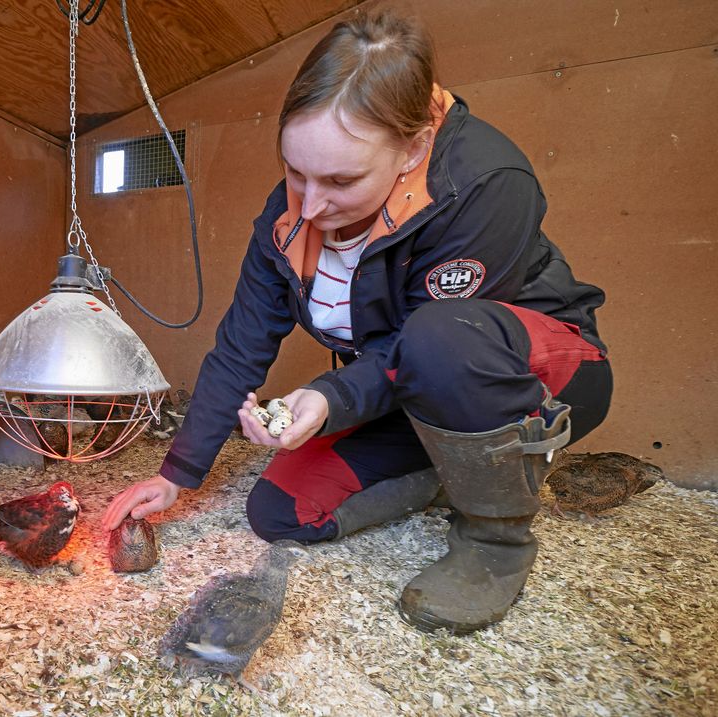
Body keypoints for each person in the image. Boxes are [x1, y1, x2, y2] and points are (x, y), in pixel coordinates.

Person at [102, 7, 611, 634]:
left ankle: (494, 541)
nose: (311, 206)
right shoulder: (290, 212)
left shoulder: (484, 182)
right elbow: (243, 342)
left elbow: (434, 343)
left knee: (439, 336)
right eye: (295, 172)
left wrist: (334, 393)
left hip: (537, 378)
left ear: (413, 147)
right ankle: (445, 469)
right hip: (406, 395)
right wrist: (178, 473)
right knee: (279, 512)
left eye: (341, 180)